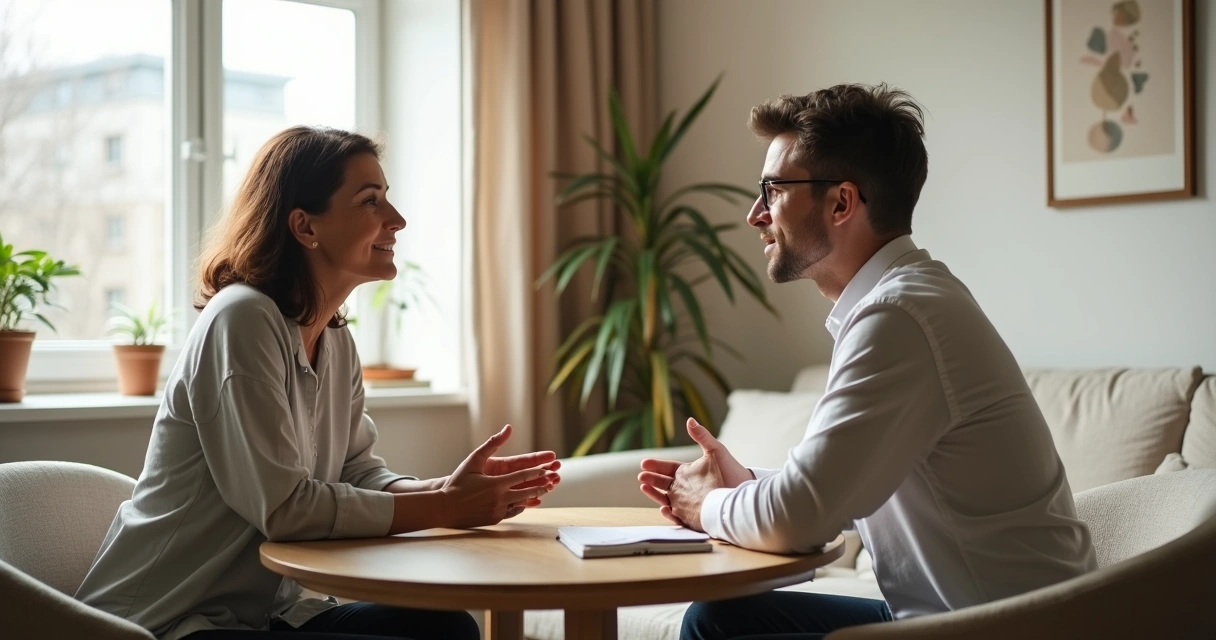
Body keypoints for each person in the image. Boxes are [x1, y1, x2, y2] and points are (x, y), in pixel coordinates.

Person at [637, 85, 1097, 640]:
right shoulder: (908, 300)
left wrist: (708, 504)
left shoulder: (899, 316)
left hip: (999, 627)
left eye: (773, 189)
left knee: (714, 628)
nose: (756, 213)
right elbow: (845, 490)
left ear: (841, 202)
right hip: (956, 612)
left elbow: (804, 517)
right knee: (717, 620)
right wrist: (744, 483)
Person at [76, 126, 560, 640]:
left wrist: (452, 489)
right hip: (166, 623)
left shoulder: (333, 338)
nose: (396, 221)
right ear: (305, 227)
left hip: (265, 615)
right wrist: (443, 508)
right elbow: (285, 509)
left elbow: (356, 471)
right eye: (370, 202)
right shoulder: (241, 319)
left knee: (448, 629)